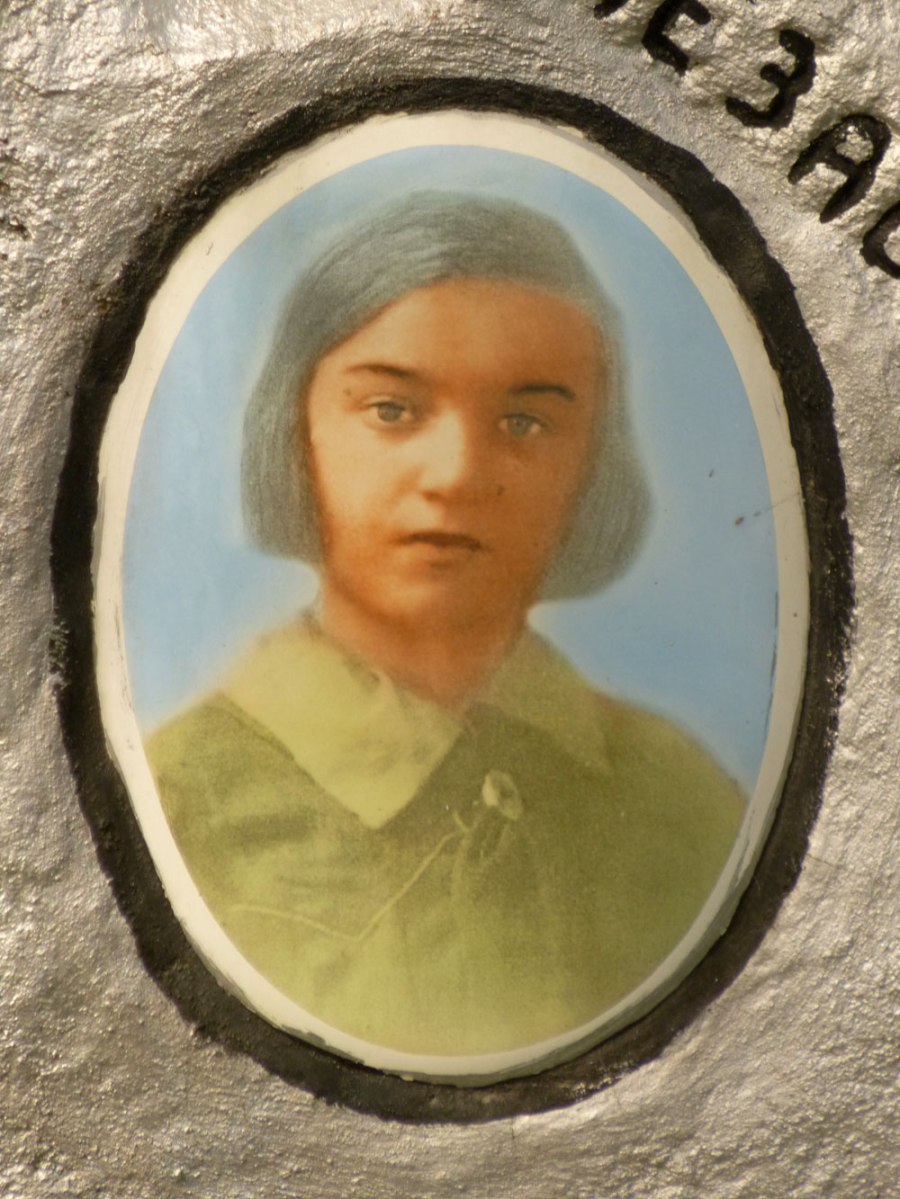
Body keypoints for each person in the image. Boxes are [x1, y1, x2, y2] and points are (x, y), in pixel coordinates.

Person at [147, 193, 744, 1059]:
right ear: (294, 436)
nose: (458, 473)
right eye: (392, 411)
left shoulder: (684, 800)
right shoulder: (181, 800)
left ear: (591, 467)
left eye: (524, 421)